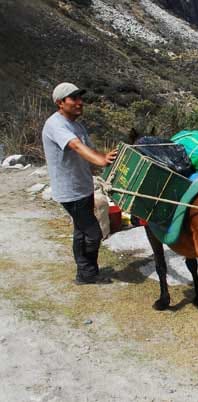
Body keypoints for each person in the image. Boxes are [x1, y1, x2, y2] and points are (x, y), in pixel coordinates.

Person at [42, 82, 118, 285]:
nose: (79, 102)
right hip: (70, 191)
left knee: (81, 232)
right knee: (93, 233)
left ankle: (84, 273)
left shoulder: (77, 124)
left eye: (80, 98)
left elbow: (89, 151)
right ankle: (88, 274)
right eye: (73, 99)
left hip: (83, 187)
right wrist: (101, 160)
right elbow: (75, 146)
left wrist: (105, 158)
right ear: (60, 103)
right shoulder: (56, 125)